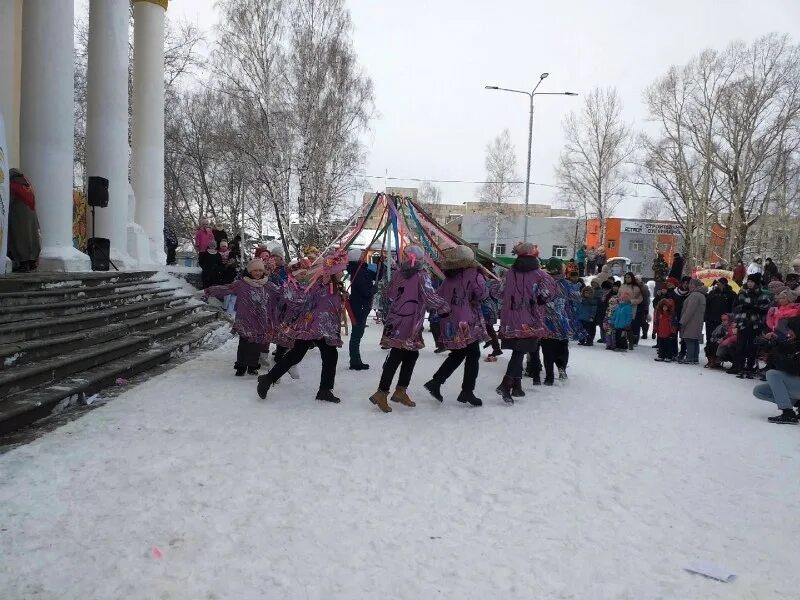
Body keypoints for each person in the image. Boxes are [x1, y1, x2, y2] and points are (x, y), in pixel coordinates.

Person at [257, 250, 348, 403]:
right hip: (314, 327)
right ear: (333, 272)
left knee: (297, 354)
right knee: (329, 355)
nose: (343, 273)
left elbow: (332, 305)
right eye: (341, 271)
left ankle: (268, 378)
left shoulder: (333, 286)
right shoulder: (321, 284)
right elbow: (313, 303)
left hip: (318, 327)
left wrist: (342, 297)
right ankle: (324, 390)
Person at [368, 246, 449, 413]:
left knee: (411, 354)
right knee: (397, 355)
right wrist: (445, 307)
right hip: (410, 321)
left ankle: (400, 391)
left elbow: (389, 294)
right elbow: (429, 296)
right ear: (420, 259)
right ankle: (381, 392)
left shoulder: (398, 273)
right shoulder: (422, 275)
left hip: (396, 319)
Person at [424, 245, 489, 406]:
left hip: (449, 321)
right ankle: (467, 391)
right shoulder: (473, 275)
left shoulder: (449, 278)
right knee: (473, 355)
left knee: (459, 354)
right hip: (467, 322)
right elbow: (482, 294)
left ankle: (436, 382)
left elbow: (438, 296)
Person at [494, 243, 556, 402]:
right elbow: (547, 295)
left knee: (518, 350)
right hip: (530, 317)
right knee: (520, 351)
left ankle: (517, 386)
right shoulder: (541, 275)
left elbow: (499, 293)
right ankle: (505, 384)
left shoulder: (509, 273)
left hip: (510, 317)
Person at [204, 258, 277, 376]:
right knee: (244, 343)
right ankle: (241, 366)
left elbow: (280, 293)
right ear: (249, 271)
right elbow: (226, 288)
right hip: (245, 319)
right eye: (255, 271)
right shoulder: (242, 284)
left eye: (260, 270)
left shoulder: (267, 285)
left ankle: (253, 366)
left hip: (260, 320)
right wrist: (209, 290)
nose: (258, 273)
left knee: (256, 344)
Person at [752, 314, 800, 424]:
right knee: (759, 391)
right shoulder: (794, 342)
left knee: (773, 374)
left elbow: (793, 368)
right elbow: (782, 350)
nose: (789, 333)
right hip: (795, 385)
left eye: (791, 330)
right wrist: (769, 343)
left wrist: (773, 356)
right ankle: (797, 404)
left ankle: (788, 413)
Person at [540, 257, 580, 383]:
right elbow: (577, 298)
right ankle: (562, 368)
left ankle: (549, 377)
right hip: (563, 322)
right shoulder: (566, 284)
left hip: (546, 323)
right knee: (562, 347)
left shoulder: (543, 283)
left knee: (547, 349)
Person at [728, 273, 770, 378]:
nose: (750, 284)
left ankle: (750, 367)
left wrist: (755, 308)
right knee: (740, 345)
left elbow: (766, 308)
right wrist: (742, 307)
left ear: (756, 283)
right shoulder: (742, 293)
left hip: (755, 324)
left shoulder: (762, 295)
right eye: (749, 281)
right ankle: (740, 366)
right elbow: (734, 307)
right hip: (743, 323)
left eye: (752, 282)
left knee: (752, 347)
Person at [346, 248, 379, 370]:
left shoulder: (361, 269)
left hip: (360, 305)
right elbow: (365, 291)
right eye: (361, 255)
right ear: (358, 258)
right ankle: (355, 361)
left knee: (358, 333)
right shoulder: (358, 271)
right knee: (357, 334)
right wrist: (373, 290)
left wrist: (380, 264)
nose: (364, 256)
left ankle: (355, 360)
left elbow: (376, 276)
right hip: (359, 306)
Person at [7, 169, 41, 272]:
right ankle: (31, 263)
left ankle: (24, 264)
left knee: (20, 239)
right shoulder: (27, 186)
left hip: (18, 218)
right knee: (31, 238)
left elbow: (8, 200)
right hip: (31, 218)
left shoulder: (12, 185)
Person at [678, 279, 707, 364]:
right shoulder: (701, 295)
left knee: (689, 339)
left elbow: (689, 311)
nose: (689, 285)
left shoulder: (694, 295)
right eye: (689, 283)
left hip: (691, 321)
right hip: (697, 321)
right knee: (694, 340)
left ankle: (689, 358)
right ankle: (694, 357)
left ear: (696, 286)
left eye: (692, 284)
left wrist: (682, 321)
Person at [617, 272, 644, 349]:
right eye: (626, 277)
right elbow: (618, 295)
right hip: (621, 308)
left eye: (629, 277)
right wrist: (618, 300)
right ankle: (623, 342)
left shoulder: (636, 287)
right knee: (622, 325)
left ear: (632, 278)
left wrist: (631, 301)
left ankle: (632, 342)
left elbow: (640, 299)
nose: (627, 279)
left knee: (629, 326)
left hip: (631, 308)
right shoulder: (622, 286)